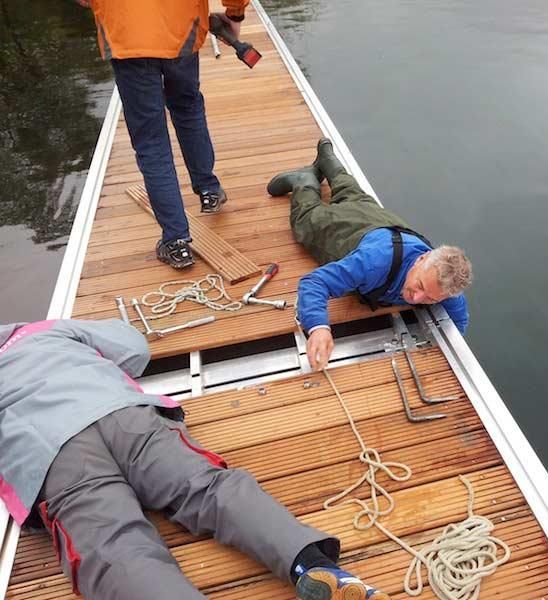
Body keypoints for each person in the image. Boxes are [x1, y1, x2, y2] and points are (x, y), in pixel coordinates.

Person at [0, 319, 390, 600]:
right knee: (208, 488)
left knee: (113, 548)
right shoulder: (42, 330)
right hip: (124, 412)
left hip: (53, 449)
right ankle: (311, 565)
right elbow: (134, 347)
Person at [267, 139, 473, 371]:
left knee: (352, 193)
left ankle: (328, 160)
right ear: (422, 259)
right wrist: (319, 327)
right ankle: (305, 180)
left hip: (381, 221)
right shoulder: (373, 264)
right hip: (353, 233)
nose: (416, 299)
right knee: (306, 221)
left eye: (430, 299)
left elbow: (458, 322)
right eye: (420, 286)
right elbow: (314, 283)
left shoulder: (446, 288)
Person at [79, 0, 247, 269]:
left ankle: (176, 242)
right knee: (188, 109)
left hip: (127, 39)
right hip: (181, 28)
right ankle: (209, 190)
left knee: (151, 141)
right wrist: (235, 13)